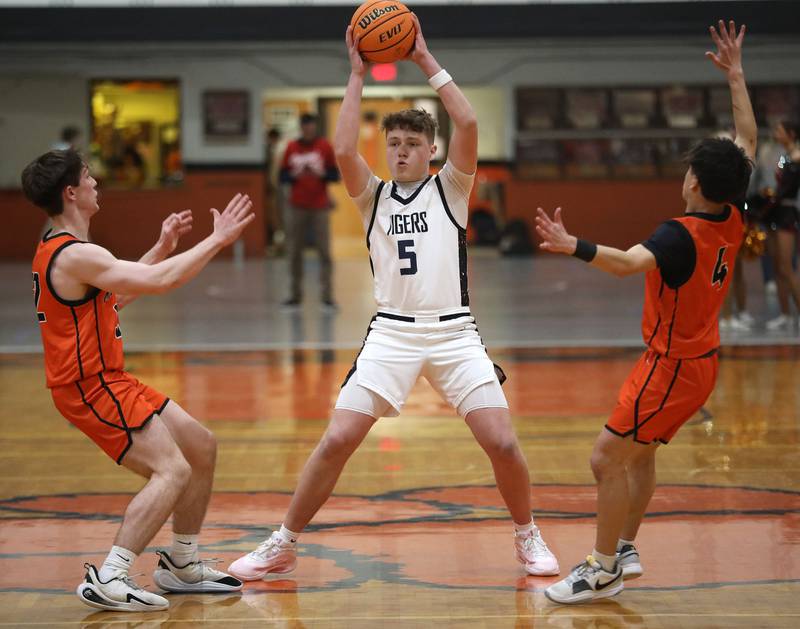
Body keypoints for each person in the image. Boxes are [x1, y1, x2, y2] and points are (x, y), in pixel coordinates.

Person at [228, 15, 559, 582]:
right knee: (337, 439)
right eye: (395, 144)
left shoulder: (452, 188)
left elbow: (469, 119)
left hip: (455, 332)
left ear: (432, 150)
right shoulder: (372, 197)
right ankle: (283, 542)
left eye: (412, 144)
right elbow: (342, 147)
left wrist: (424, 58)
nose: (401, 152)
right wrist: (356, 74)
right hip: (392, 333)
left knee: (502, 441)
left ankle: (527, 535)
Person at [538, 21, 756, 604]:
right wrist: (736, 76)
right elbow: (749, 140)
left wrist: (572, 245)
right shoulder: (734, 213)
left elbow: (628, 264)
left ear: (694, 182)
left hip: (672, 366)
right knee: (641, 455)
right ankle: (626, 546)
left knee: (607, 458)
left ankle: (602, 566)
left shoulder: (680, 233)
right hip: (699, 360)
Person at [22, 148, 255, 612]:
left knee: (200, 445)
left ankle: (181, 565)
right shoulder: (74, 255)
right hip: (89, 386)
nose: (96, 183)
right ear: (71, 192)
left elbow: (114, 296)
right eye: (89, 178)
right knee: (173, 469)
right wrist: (217, 240)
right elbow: (161, 282)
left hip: (111, 378)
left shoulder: (66, 250)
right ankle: (112, 573)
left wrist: (160, 247)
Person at [281, 113, 340, 308]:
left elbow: (334, 175)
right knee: (294, 251)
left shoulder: (324, 146)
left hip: (319, 205)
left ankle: (327, 295)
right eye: (306, 127)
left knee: (324, 251)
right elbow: (282, 176)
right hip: (297, 204)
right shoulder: (292, 147)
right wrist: (295, 175)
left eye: (312, 127)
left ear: (315, 127)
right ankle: (295, 294)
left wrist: (321, 174)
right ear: (301, 128)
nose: (309, 130)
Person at [762, 120, 800, 330]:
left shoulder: (796, 157)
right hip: (774, 213)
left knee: (787, 266)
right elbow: (777, 183)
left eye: (780, 129)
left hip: (786, 213)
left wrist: (771, 199)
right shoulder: (784, 157)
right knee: (777, 266)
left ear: (791, 133)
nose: (776, 132)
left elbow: (785, 189)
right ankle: (785, 314)